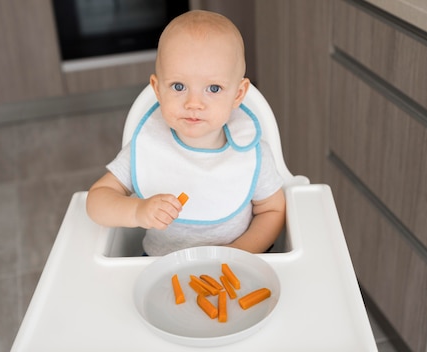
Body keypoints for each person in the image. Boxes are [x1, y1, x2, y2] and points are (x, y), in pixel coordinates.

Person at [86, 10, 286, 256]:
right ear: (158, 90)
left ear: (238, 94)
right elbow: (96, 201)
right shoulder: (149, 145)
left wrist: (239, 252)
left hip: (234, 272)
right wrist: (137, 211)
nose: (194, 103)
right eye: (178, 86)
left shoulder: (252, 153)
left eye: (213, 88)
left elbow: (273, 210)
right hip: (161, 271)